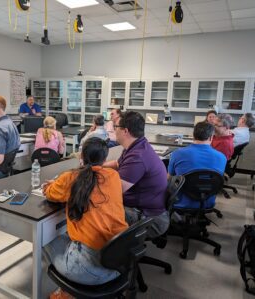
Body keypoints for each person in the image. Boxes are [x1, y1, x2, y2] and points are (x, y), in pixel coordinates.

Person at [43, 137, 128, 294]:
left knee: (43, 237)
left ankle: (65, 293)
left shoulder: (70, 177)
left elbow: (50, 194)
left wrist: (50, 185)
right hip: (120, 263)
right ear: (104, 158)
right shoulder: (113, 176)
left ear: (81, 155)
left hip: (87, 270)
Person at [103, 111, 169, 239]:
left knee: (97, 208)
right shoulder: (137, 145)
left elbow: (114, 191)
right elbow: (117, 163)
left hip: (150, 219)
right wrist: (96, 166)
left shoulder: (137, 157)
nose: (113, 130)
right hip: (146, 208)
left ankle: (96, 254)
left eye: (115, 127)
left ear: (125, 131)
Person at [168, 121, 227, 209]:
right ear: (211, 137)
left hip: (180, 202)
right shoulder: (222, 157)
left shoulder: (177, 154)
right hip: (207, 202)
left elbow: (168, 178)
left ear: (193, 135)